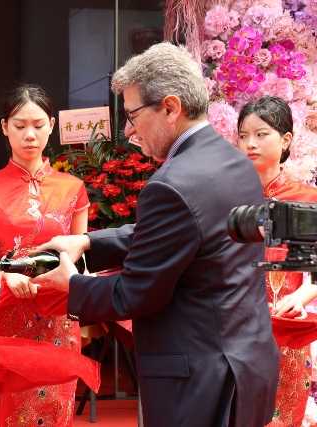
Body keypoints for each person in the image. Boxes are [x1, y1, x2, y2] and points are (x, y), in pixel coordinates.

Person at [35, 42, 279, 427]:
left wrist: (73, 284)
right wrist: (89, 242)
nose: (128, 130)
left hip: (199, 379)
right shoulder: (233, 161)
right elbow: (186, 232)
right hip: (246, 362)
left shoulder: (172, 183)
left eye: (132, 115)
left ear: (170, 107)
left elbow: (136, 294)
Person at [0, 84, 89, 426]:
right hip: (6, 308)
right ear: (5, 127)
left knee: (55, 405)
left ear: (52, 125)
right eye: (19, 126)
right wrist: (8, 275)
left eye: (37, 125)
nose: (29, 135)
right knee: (4, 407)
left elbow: (77, 253)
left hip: (57, 312)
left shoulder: (73, 188)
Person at [237, 96, 317, 427]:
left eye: (261, 134)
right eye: (243, 135)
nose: (250, 144)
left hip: (287, 325)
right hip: (234, 327)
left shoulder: (306, 199)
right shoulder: (228, 197)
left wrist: (303, 294)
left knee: (284, 414)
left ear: (286, 140)